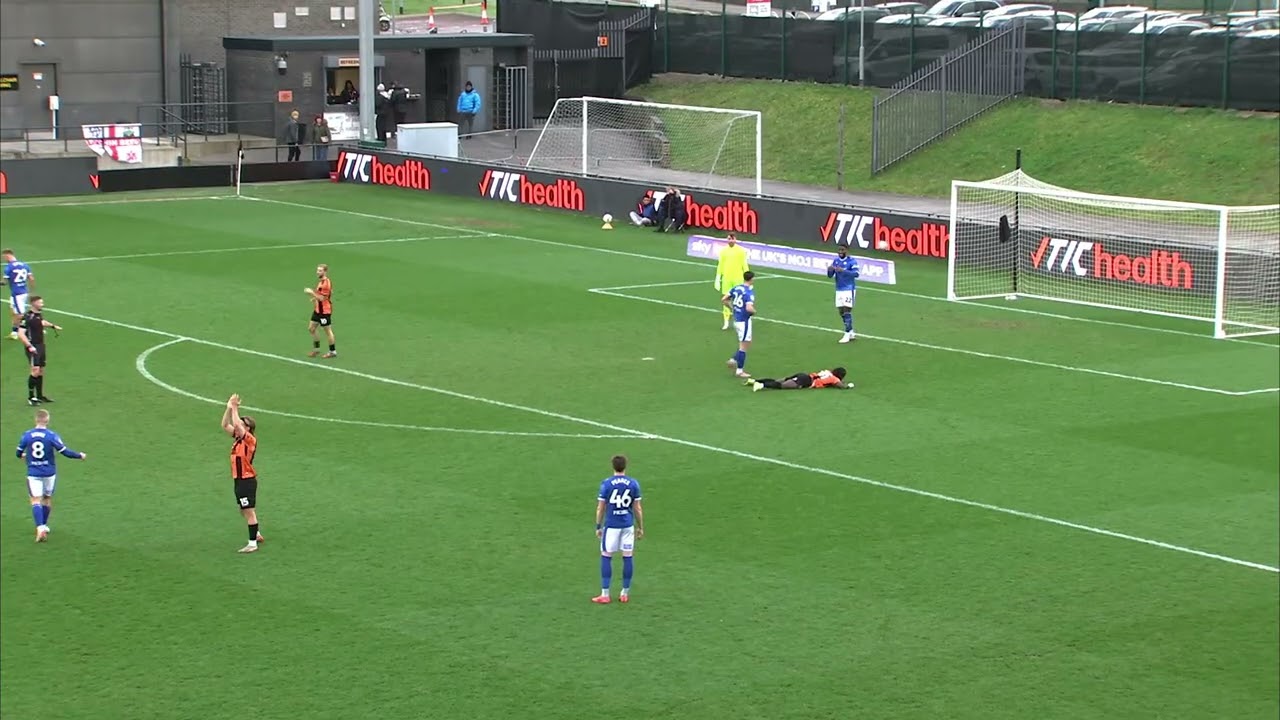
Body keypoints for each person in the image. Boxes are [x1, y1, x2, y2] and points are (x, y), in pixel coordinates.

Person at [16, 408, 87, 543]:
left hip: (33, 473)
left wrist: (24, 455)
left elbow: (18, 453)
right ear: (47, 420)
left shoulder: (27, 435)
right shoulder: (52, 435)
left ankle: (40, 527)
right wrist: (80, 455)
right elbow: (65, 452)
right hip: (49, 473)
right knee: (47, 498)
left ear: (35, 420)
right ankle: (44, 525)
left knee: (35, 500)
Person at [593, 455, 644, 604]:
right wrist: (640, 527)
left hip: (612, 526)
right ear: (625, 466)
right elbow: (637, 508)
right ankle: (625, 593)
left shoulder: (607, 484)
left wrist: (598, 526)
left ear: (613, 466)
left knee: (606, 555)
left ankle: (605, 594)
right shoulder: (633, 484)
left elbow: (600, 508)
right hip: (628, 525)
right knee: (627, 556)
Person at [221, 393, 264, 554]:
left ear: (248, 429)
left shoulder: (249, 440)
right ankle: (257, 533)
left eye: (243, 424)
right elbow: (225, 425)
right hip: (239, 480)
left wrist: (235, 408)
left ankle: (252, 543)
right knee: (243, 509)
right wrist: (228, 408)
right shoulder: (238, 438)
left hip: (246, 480)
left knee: (248, 510)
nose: (239, 426)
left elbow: (236, 424)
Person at [17, 296, 61, 406]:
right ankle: (31, 397)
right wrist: (29, 346)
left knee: (41, 370)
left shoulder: (37, 315)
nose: (42, 304)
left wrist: (52, 326)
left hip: (41, 345)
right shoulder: (27, 317)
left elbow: (41, 322)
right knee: (35, 370)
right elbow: (21, 333)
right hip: (33, 346)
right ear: (33, 303)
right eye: (40, 302)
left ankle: (40, 395)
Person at [722, 271, 755, 379]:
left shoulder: (736, 288)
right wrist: (754, 312)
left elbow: (724, 299)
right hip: (744, 321)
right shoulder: (749, 293)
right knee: (743, 346)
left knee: (747, 342)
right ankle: (739, 371)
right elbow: (749, 308)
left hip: (737, 320)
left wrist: (732, 308)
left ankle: (733, 360)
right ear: (751, 279)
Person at [714, 234, 750, 331]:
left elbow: (744, 265)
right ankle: (726, 322)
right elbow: (720, 265)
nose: (729, 240)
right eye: (728, 239)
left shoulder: (741, 251)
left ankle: (739, 321)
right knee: (726, 301)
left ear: (735, 239)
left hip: (738, 280)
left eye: (731, 239)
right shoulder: (723, 251)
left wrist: (747, 279)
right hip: (726, 280)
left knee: (738, 302)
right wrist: (718, 278)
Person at [827, 243, 861, 343]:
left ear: (847, 250)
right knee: (841, 312)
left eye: (842, 250)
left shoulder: (852, 261)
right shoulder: (836, 261)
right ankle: (851, 332)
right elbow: (830, 276)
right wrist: (829, 270)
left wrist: (843, 271)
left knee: (847, 311)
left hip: (849, 289)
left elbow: (856, 274)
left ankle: (846, 335)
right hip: (839, 289)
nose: (840, 252)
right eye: (839, 250)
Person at [3, 248, 35, 340]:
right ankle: (14, 332)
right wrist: (32, 291)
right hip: (23, 292)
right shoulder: (25, 265)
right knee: (13, 311)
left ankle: (33, 329)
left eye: (4, 257)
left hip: (17, 294)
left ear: (8, 255)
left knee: (20, 314)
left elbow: (4, 282)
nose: (4, 259)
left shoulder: (9, 267)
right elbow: (31, 278)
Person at [305, 264, 336, 358]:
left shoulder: (325, 283)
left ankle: (332, 352)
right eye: (317, 270)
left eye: (320, 271)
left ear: (325, 272)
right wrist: (315, 299)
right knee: (311, 328)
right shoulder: (322, 282)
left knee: (328, 331)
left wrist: (311, 293)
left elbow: (322, 298)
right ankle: (316, 350)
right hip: (318, 310)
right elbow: (324, 294)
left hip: (324, 312)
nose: (317, 272)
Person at [749, 367, 854, 392]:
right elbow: (841, 386)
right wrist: (849, 385)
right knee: (782, 386)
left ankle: (755, 381)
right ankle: (761, 385)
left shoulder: (827, 372)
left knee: (780, 380)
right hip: (806, 381)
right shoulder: (834, 379)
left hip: (804, 375)